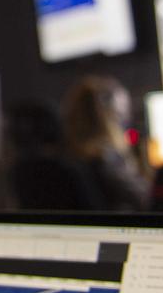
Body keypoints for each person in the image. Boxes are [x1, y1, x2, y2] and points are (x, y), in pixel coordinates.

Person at [60, 75, 148, 211]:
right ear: (109, 117)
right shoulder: (107, 158)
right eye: (121, 116)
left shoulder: (65, 155)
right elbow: (144, 198)